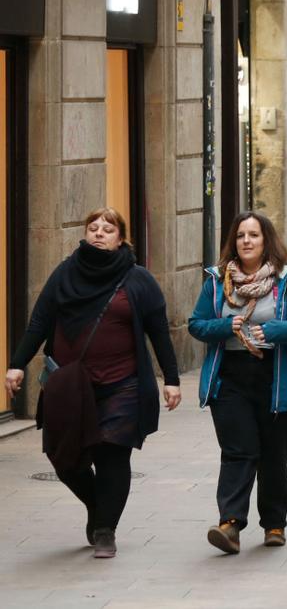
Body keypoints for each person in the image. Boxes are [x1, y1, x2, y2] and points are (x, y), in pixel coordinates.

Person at [5, 207, 181, 559]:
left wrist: (171, 379)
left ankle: (105, 530)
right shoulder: (65, 273)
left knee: (112, 453)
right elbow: (39, 321)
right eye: (93, 227)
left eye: (108, 228)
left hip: (124, 384)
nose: (99, 233)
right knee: (64, 458)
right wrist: (17, 364)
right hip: (73, 388)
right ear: (85, 234)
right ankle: (98, 505)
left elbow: (158, 331)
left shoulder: (137, 279)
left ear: (121, 238)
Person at [189, 212, 287, 554]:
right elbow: (196, 324)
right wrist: (222, 327)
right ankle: (230, 524)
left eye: (254, 235)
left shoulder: (285, 280)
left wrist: (274, 331)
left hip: (276, 378)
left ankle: (274, 524)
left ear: (266, 241)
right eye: (241, 235)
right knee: (238, 451)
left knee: (274, 456)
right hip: (230, 378)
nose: (247, 241)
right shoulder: (217, 281)